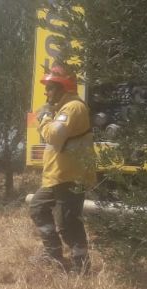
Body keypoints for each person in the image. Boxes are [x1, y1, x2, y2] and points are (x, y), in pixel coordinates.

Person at [29, 64, 97, 273]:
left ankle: (81, 269)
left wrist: (43, 117)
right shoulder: (62, 108)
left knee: (69, 224)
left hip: (71, 177)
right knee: (38, 206)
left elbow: (54, 135)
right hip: (58, 176)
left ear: (63, 87)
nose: (46, 92)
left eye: (50, 87)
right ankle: (53, 254)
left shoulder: (73, 108)